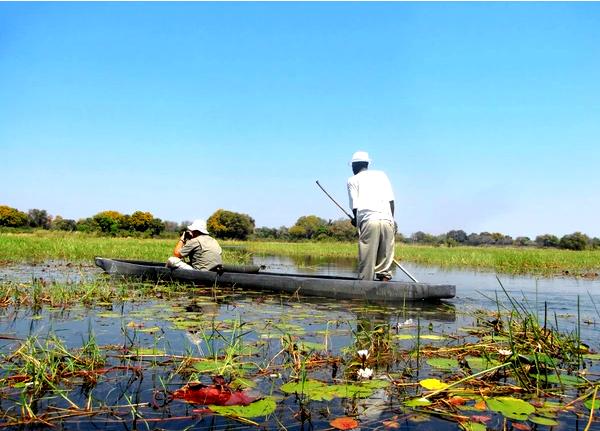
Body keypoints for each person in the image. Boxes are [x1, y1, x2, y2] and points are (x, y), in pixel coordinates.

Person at [347, 151, 396, 281]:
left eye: (352, 166)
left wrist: (356, 221)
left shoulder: (352, 180)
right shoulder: (382, 175)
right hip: (388, 221)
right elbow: (391, 201)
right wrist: (392, 221)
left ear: (354, 166)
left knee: (367, 264)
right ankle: (384, 289)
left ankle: (364, 291)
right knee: (384, 267)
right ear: (367, 163)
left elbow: (355, 206)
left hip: (369, 221)